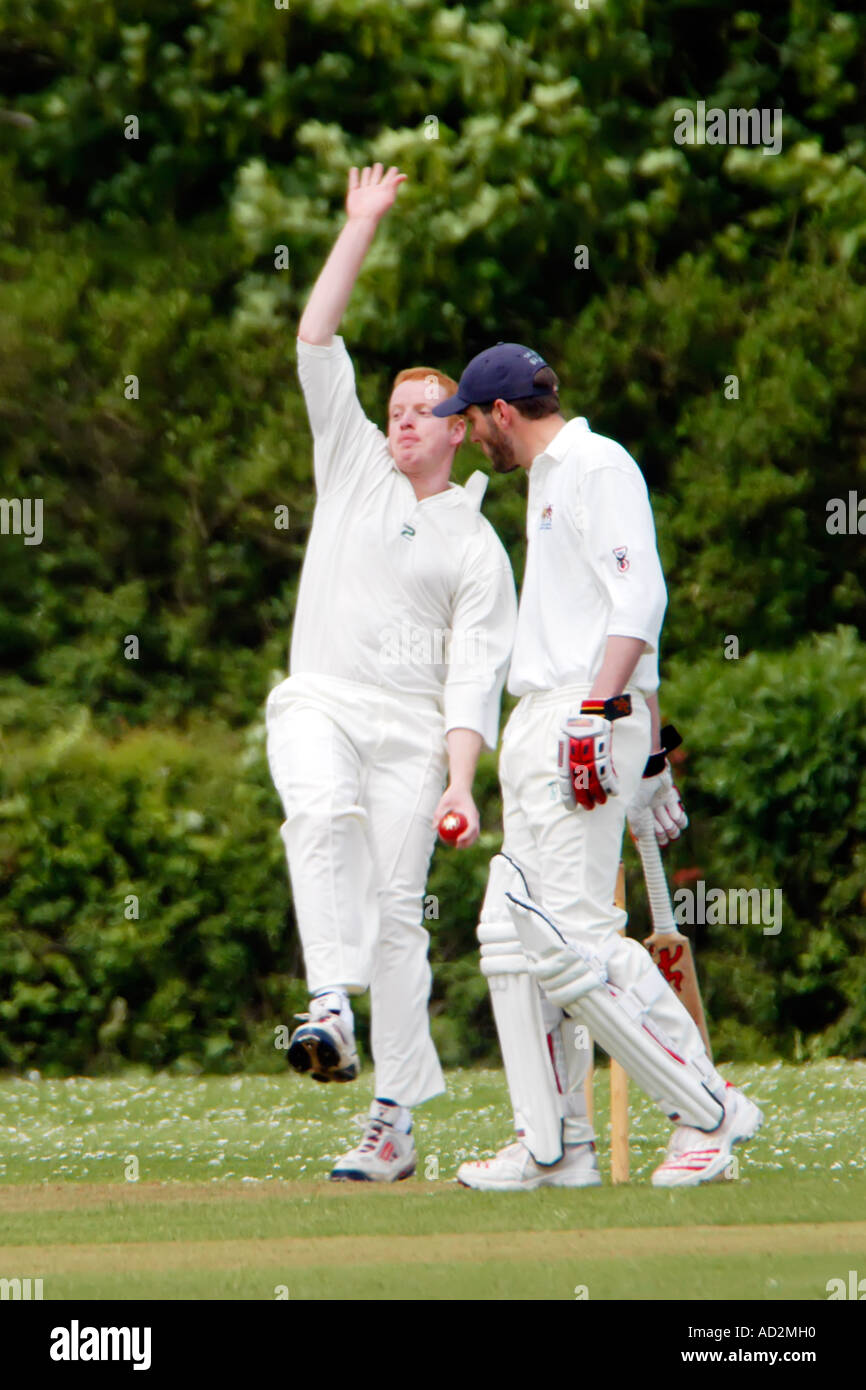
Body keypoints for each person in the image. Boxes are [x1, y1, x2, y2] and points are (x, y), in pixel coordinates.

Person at [431, 344, 763, 1189]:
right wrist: (642, 749)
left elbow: (640, 602)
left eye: (469, 421)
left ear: (501, 413)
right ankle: (556, 1146)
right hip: (550, 717)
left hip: (580, 713)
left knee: (577, 942)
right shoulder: (547, 479)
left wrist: (604, 714)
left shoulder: (595, 464)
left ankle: (708, 1112)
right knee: (512, 934)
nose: (466, 437)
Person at [266, 166, 517, 1182]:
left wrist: (461, 781)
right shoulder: (353, 463)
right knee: (317, 813)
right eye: (396, 407)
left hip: (414, 737)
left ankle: (392, 1120)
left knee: (400, 925)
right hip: (320, 698)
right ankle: (329, 999)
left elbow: (472, 680)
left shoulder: (474, 546)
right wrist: (359, 226)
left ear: (460, 429)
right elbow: (314, 339)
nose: (404, 418)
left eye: (427, 408)